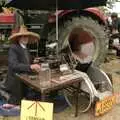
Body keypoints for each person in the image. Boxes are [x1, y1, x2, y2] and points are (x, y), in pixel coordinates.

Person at [0, 25, 41, 105]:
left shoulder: (26, 48)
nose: (25, 38)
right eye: (23, 36)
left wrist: (33, 61)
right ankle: (5, 93)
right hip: (15, 80)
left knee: (31, 96)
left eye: (27, 36)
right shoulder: (13, 48)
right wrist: (30, 66)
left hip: (24, 79)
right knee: (16, 102)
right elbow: (14, 65)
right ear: (19, 38)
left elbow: (26, 60)